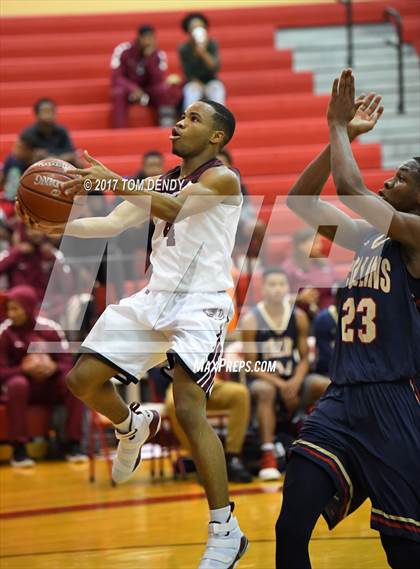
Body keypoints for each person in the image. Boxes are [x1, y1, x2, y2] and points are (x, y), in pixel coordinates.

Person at [18, 99, 248, 568]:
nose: (180, 124)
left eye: (194, 119)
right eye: (180, 116)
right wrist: (55, 223)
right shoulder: (160, 180)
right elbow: (111, 222)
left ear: (217, 137)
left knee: (188, 407)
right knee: (81, 381)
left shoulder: (223, 179)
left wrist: (110, 180)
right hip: (155, 298)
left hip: (200, 305)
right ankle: (132, 423)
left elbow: (174, 209)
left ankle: (226, 529)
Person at [276, 69, 420, 569]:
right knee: (291, 522)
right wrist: (338, 136)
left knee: (403, 547)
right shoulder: (367, 237)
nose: (387, 180)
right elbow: (300, 202)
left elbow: (352, 187)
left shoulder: (417, 235)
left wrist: (338, 126)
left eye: (401, 179)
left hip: (396, 400)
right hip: (341, 396)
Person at [241, 268, 328, 481]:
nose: (277, 289)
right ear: (262, 289)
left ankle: (326, 444)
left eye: (281, 284)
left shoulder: (298, 316)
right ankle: (268, 453)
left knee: (324, 384)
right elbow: (251, 365)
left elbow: (305, 358)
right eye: (272, 284)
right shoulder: (252, 319)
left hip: (294, 380)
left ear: (288, 288)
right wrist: (282, 384)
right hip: (266, 380)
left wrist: (296, 381)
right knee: (265, 390)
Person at [0, 285, 86, 467]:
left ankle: (74, 444)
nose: (11, 313)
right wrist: (24, 369)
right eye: (9, 308)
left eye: (15, 308)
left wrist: (52, 367)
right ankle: (19, 450)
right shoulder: (5, 333)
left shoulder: (50, 329)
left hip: (49, 385)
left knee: (74, 382)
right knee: (17, 384)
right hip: (21, 388)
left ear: (29, 306)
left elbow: (67, 363)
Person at [165, 376, 253, 483]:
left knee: (240, 393)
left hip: (209, 381)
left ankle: (231, 458)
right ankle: (199, 459)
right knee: (173, 404)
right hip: (180, 382)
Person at [111, 24, 182, 128]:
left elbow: (158, 80)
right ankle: (119, 129)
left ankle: (167, 126)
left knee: (163, 90)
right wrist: (133, 88)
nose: (149, 41)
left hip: (148, 89)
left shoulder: (158, 54)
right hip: (128, 88)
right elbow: (117, 77)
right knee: (118, 92)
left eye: (152, 38)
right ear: (139, 38)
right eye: (146, 38)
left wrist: (150, 59)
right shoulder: (123, 50)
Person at [282, 227, 338, 319]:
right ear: (301, 245)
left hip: (329, 309)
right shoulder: (289, 267)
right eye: (315, 242)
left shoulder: (325, 262)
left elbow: (337, 283)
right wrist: (300, 297)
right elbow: (281, 297)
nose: (319, 246)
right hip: (302, 313)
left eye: (320, 242)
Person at [179, 12, 225, 109]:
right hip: (194, 82)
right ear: (188, 31)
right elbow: (187, 73)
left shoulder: (212, 44)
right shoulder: (184, 48)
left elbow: (215, 67)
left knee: (217, 88)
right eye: (193, 27)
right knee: (191, 91)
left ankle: (219, 121)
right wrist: (199, 85)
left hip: (211, 81)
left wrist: (203, 53)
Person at [19, 99, 80, 166]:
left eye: (50, 111)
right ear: (37, 114)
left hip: (60, 166)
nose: (48, 114)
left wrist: (51, 159)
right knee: (13, 161)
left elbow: (71, 153)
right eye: (44, 111)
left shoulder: (62, 131)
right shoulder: (28, 133)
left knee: (78, 162)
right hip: (35, 168)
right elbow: (21, 155)